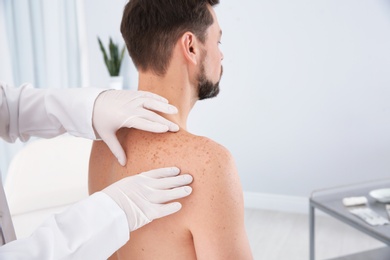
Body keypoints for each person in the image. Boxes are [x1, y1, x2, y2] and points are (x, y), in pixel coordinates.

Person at [89, 0, 253, 259]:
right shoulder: (209, 163)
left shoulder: (103, 142)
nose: (220, 54)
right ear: (191, 46)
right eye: (217, 42)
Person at [0, 82, 193, 259]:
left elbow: (8, 107)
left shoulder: (104, 146)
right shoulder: (208, 160)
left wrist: (89, 107)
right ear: (190, 45)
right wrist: (110, 214)